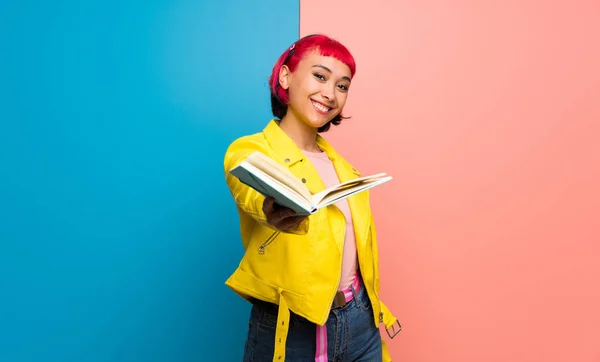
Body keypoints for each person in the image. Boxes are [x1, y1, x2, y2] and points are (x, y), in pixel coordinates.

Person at [223, 34, 401, 362]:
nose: (330, 94)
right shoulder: (250, 150)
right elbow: (247, 185)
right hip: (291, 328)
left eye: (342, 85)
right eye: (320, 76)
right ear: (286, 76)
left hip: (359, 320)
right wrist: (269, 208)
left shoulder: (344, 168)